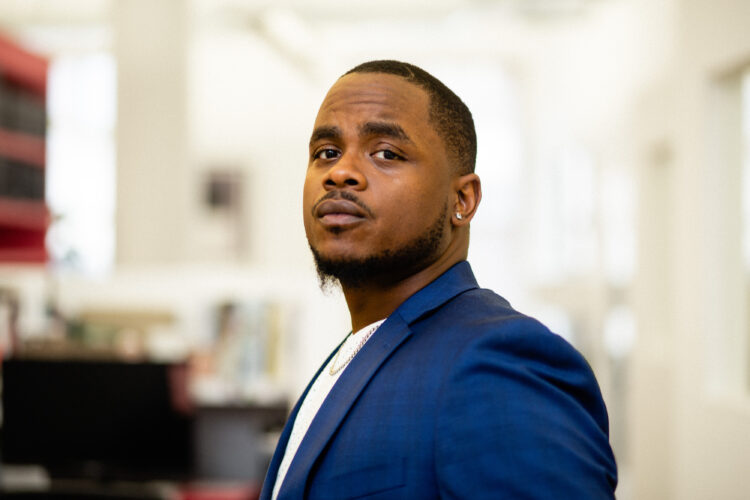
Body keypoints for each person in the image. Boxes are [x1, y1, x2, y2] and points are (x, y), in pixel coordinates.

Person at [260, 60, 617, 499]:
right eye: (326, 153)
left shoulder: (496, 363)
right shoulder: (361, 349)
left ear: (462, 200)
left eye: (386, 153)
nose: (339, 172)